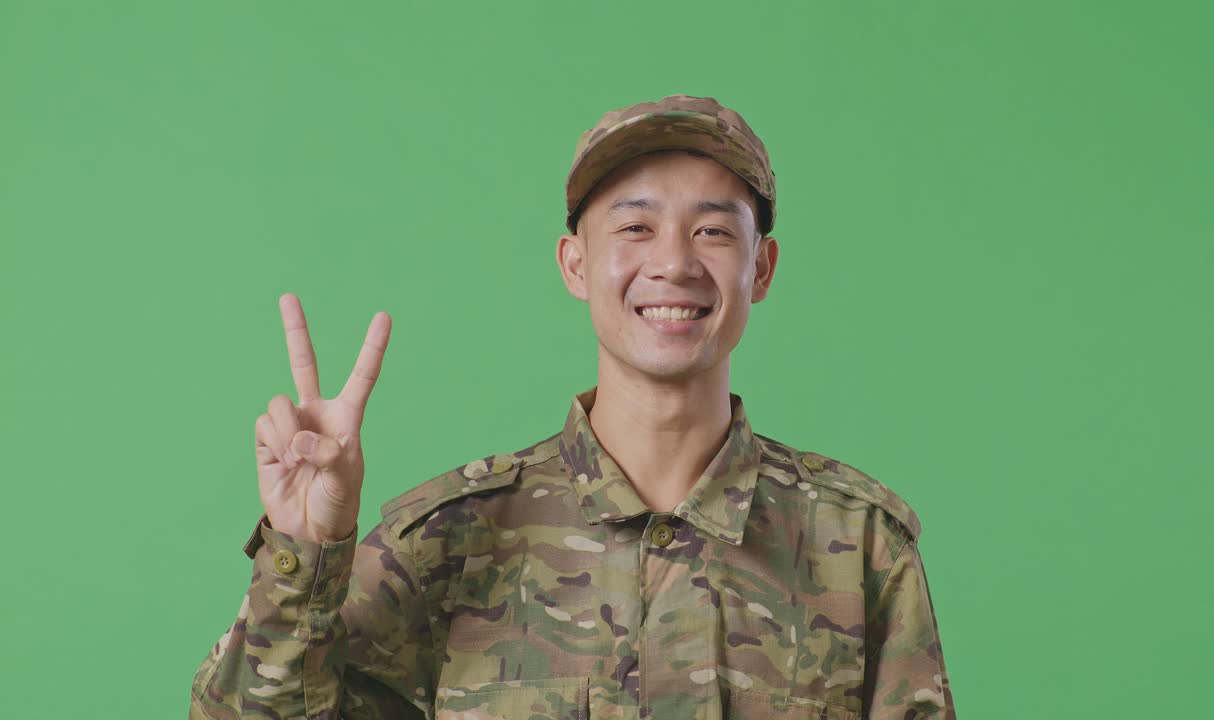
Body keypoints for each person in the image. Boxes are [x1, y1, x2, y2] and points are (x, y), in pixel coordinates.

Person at [189, 93, 956, 720]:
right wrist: (303, 552)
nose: (674, 262)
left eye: (714, 230)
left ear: (762, 267)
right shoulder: (449, 541)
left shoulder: (857, 547)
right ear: (575, 264)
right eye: (635, 226)